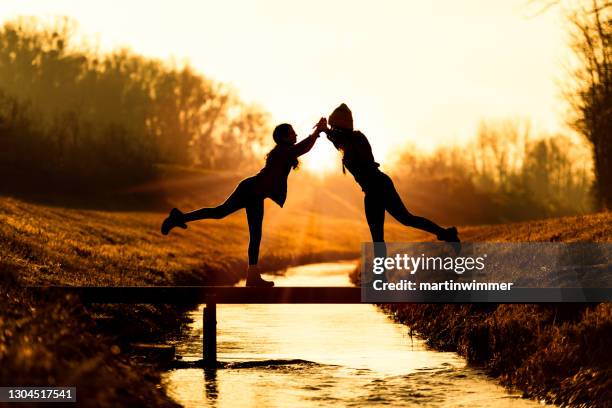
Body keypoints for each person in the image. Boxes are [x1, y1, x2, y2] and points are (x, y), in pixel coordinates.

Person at [161, 119, 328, 287]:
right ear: (284, 138)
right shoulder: (283, 152)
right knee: (220, 213)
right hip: (250, 190)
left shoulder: (284, 151)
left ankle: (252, 276)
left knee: (254, 234)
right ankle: (178, 217)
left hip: (255, 195)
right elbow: (303, 147)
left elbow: (301, 148)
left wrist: (317, 133)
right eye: (292, 133)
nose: (296, 135)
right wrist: (316, 133)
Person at [324, 103, 460, 269]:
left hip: (380, 185)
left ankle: (447, 234)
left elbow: (338, 138)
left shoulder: (356, 138)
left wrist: (325, 130)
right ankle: (381, 277)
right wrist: (325, 131)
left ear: (341, 126)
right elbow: (335, 140)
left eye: (334, 126)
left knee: (406, 219)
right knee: (377, 237)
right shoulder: (343, 141)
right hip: (370, 191)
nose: (332, 129)